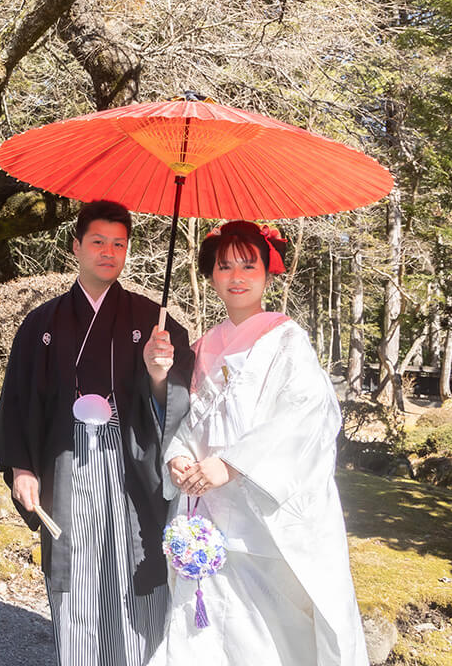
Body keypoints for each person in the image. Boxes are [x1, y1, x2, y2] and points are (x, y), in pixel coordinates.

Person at [0, 199, 194, 666]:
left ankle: (142, 658)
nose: (108, 252)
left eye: (118, 244)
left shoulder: (152, 320)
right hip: (67, 461)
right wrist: (23, 467)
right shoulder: (43, 322)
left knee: (137, 562)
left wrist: (160, 373)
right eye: (98, 242)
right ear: (76, 246)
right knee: (76, 567)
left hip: (132, 463)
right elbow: (20, 400)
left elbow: (179, 393)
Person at [151, 220, 367, 666]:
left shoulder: (286, 339)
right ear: (211, 275)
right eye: (225, 266)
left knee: (263, 636)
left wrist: (230, 464)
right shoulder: (208, 342)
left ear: (268, 274)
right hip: (210, 511)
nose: (236, 277)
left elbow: (307, 415)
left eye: (249, 266)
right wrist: (180, 455)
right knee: (202, 629)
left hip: (263, 516)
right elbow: (197, 420)